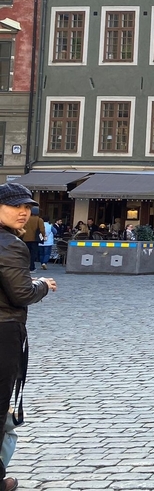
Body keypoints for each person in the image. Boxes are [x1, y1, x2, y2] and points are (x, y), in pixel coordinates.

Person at [0, 182, 57, 491]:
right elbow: (21, 293)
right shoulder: (10, 244)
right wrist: (43, 286)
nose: (23, 212)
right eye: (15, 206)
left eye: (26, 207)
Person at [21, 209, 42, 273]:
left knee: (26, 253)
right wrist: (43, 236)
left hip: (25, 238)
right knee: (33, 254)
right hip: (34, 239)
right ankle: (31, 268)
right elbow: (42, 229)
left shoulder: (26, 219)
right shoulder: (39, 220)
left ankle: (25, 266)